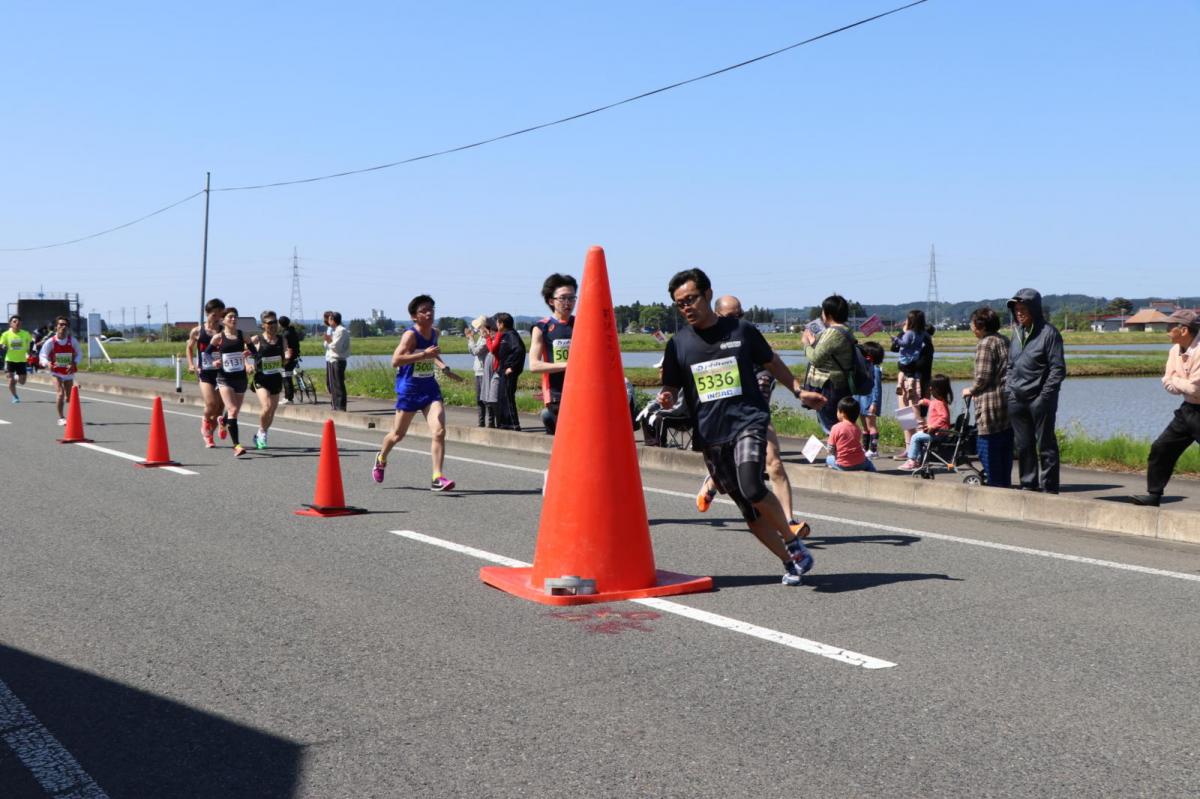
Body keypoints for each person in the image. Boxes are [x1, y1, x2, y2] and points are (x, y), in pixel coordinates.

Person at [659, 268, 826, 587]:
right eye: (679, 304)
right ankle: (791, 561)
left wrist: (797, 390)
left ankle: (792, 540)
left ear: (708, 294)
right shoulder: (677, 344)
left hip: (748, 421)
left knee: (752, 485)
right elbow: (672, 387)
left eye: (691, 299)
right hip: (711, 433)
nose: (686, 307)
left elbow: (771, 361)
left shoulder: (741, 330)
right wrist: (667, 396)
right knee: (749, 512)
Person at [695, 295, 807, 536]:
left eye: (740, 315)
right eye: (730, 317)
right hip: (724, 418)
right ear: (717, 314)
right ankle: (713, 481)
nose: (737, 321)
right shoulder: (705, 342)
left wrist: (797, 390)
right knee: (732, 465)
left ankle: (789, 522)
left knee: (774, 463)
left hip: (753, 414)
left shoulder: (748, 334)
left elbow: (772, 363)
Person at [372, 295, 465, 491]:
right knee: (398, 434)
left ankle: (437, 477)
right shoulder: (410, 336)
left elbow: (433, 354)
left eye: (431, 309)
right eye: (424, 310)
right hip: (409, 391)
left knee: (439, 431)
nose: (429, 313)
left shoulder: (435, 332)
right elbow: (395, 360)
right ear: (415, 316)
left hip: (430, 389)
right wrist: (423, 355)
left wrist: (444, 367)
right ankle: (381, 458)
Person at [1131, 309, 1200, 506]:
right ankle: (1154, 495)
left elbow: (1194, 388)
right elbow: (1169, 383)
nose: (1167, 331)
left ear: (1184, 330)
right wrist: (1179, 383)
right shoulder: (1174, 350)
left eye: (1170, 327)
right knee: (1162, 448)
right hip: (1188, 410)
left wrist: (1176, 381)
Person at [1005, 289, 1065, 493]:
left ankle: (1049, 488)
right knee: (1023, 445)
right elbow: (1011, 365)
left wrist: (1044, 397)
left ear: (1035, 309)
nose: (1019, 313)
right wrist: (1009, 390)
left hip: (1040, 399)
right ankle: (1028, 485)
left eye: (1023, 309)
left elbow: (1058, 370)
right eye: (1016, 309)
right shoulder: (1016, 332)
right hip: (1016, 398)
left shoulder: (1049, 333)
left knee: (1046, 446)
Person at [961, 307, 1013, 487]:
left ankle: (995, 486)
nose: (971, 327)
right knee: (1004, 448)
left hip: (990, 403)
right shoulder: (1004, 340)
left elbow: (983, 376)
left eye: (972, 323)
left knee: (987, 448)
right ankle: (1003, 483)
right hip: (1007, 401)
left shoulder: (985, 343)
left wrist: (971, 390)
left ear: (980, 325)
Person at [529, 274, 577, 435]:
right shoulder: (542, 327)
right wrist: (568, 365)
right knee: (569, 435)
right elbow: (534, 365)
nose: (568, 303)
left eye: (572, 298)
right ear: (551, 301)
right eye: (563, 298)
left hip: (582, 391)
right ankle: (548, 416)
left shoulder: (582, 324)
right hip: (557, 393)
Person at [802, 294, 857, 432]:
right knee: (838, 425)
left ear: (828, 313)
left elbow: (815, 358)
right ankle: (841, 452)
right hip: (839, 384)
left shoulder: (833, 333)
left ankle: (836, 453)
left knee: (831, 428)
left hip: (830, 385)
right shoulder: (845, 330)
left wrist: (806, 343)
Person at [248, 311, 293, 449]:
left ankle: (262, 432)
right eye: (270, 323)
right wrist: (247, 365)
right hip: (261, 378)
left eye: (275, 322)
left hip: (275, 378)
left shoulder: (282, 339)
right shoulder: (256, 339)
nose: (273, 325)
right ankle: (262, 432)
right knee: (266, 406)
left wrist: (287, 357)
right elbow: (240, 353)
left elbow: (284, 359)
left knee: (272, 411)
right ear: (263, 325)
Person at [185, 298, 227, 447]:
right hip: (205, 372)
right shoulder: (197, 331)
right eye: (213, 315)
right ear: (207, 314)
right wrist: (191, 364)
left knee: (220, 408)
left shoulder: (224, 330)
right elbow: (189, 347)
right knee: (211, 404)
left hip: (222, 372)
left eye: (220, 315)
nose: (217, 318)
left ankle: (209, 436)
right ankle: (204, 421)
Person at [212, 307, 252, 456]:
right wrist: (214, 362)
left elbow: (255, 351)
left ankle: (223, 422)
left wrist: (249, 355)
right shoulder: (218, 337)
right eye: (230, 317)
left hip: (240, 378)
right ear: (223, 320)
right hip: (224, 378)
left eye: (235, 317)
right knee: (233, 410)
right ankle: (237, 445)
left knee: (233, 412)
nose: (233, 319)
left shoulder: (243, 335)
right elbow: (207, 353)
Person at [890, 310, 932, 454]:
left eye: (907, 320)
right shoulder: (909, 335)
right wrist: (902, 334)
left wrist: (910, 370)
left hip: (917, 379)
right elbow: (894, 348)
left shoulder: (924, 338)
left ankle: (920, 450)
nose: (904, 322)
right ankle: (909, 448)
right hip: (906, 379)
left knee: (917, 415)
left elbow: (923, 362)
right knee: (904, 414)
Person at [900, 374, 954, 471]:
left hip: (938, 433)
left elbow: (944, 417)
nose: (929, 388)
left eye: (932, 387)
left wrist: (933, 426)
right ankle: (919, 460)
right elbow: (933, 404)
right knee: (919, 437)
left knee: (915, 437)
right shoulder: (938, 401)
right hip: (935, 432)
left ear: (938, 389)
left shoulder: (939, 403)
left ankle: (912, 460)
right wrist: (925, 401)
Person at [37, 316, 82, 424]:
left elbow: (79, 353)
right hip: (56, 372)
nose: (63, 327)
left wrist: (74, 363)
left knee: (69, 397)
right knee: (60, 394)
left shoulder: (73, 341)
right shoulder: (51, 342)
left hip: (68, 372)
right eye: (61, 324)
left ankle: (69, 415)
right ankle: (61, 418)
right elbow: (42, 355)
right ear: (56, 327)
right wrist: (47, 363)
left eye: (65, 325)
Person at [494, 313, 526, 430]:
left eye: (497, 322)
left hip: (509, 372)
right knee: (502, 397)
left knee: (508, 397)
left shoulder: (511, 335)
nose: (496, 325)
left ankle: (513, 424)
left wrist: (512, 367)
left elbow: (519, 350)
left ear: (502, 324)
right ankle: (504, 423)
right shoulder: (505, 335)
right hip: (503, 370)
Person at [826, 396, 875, 471]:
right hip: (860, 463)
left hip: (843, 465)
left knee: (828, 459)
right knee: (869, 463)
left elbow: (830, 449)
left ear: (843, 414)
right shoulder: (857, 428)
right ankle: (873, 473)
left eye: (838, 411)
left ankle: (835, 469)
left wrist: (833, 452)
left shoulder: (835, 428)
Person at [855, 341, 885, 459]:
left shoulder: (876, 369)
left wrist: (875, 403)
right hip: (861, 400)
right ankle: (865, 448)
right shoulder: (863, 367)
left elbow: (877, 388)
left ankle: (873, 450)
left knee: (871, 425)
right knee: (864, 427)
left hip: (869, 401)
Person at [467, 315, 492, 427]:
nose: (476, 329)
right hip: (478, 371)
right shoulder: (481, 337)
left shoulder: (487, 338)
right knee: (479, 399)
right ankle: (481, 422)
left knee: (486, 399)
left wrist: (471, 339)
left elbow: (476, 351)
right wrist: (471, 340)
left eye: (478, 326)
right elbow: (472, 351)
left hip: (484, 372)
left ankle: (491, 423)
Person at [1, 315, 33, 403]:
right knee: (10, 380)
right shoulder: (6, 334)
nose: (17, 323)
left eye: (18, 321)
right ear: (10, 324)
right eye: (14, 321)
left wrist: (30, 351)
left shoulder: (25, 333)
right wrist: (3, 346)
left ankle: (16, 377)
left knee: (22, 382)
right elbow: (2, 343)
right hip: (10, 360)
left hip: (22, 360)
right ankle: (15, 397)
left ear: (21, 323)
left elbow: (30, 342)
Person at [323, 311, 350, 411]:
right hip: (332, 359)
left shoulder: (341, 331)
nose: (327, 321)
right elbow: (327, 345)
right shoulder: (334, 330)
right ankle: (336, 405)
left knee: (338, 384)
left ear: (333, 320)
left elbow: (336, 347)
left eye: (329, 319)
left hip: (338, 359)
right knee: (333, 384)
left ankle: (341, 406)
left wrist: (329, 341)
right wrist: (328, 341)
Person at [277, 315, 301, 405]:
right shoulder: (292, 331)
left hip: (288, 357)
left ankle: (288, 398)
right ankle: (288, 397)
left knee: (286, 377)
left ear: (280, 324)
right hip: (295, 356)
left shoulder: (285, 334)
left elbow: (284, 347)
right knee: (288, 376)